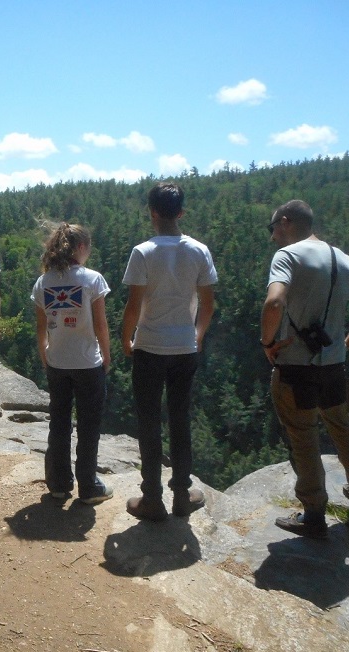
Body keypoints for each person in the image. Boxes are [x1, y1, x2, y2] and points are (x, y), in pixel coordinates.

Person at [261, 199, 349, 539]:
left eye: (273, 228)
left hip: (295, 368)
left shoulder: (287, 256)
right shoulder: (341, 258)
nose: (273, 236)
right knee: (342, 427)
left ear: (286, 222)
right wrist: (347, 342)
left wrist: (267, 342)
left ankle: (313, 513)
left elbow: (274, 302)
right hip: (333, 364)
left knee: (303, 436)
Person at [121, 182, 217, 521]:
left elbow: (134, 305)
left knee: (149, 421)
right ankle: (181, 495)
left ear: (152, 213)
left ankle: (152, 499)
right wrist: (198, 335)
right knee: (180, 418)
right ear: (181, 213)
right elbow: (208, 304)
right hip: (184, 346)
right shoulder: (199, 250)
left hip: (149, 344)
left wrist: (125, 337)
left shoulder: (143, 252)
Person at [32, 223, 113, 505]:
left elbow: (41, 328)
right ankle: (88, 486)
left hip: (57, 362)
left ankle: (58, 483)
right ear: (80, 248)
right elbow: (101, 325)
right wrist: (107, 356)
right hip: (87, 363)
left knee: (59, 423)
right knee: (89, 426)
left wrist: (45, 354)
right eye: (88, 248)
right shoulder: (93, 280)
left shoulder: (44, 282)